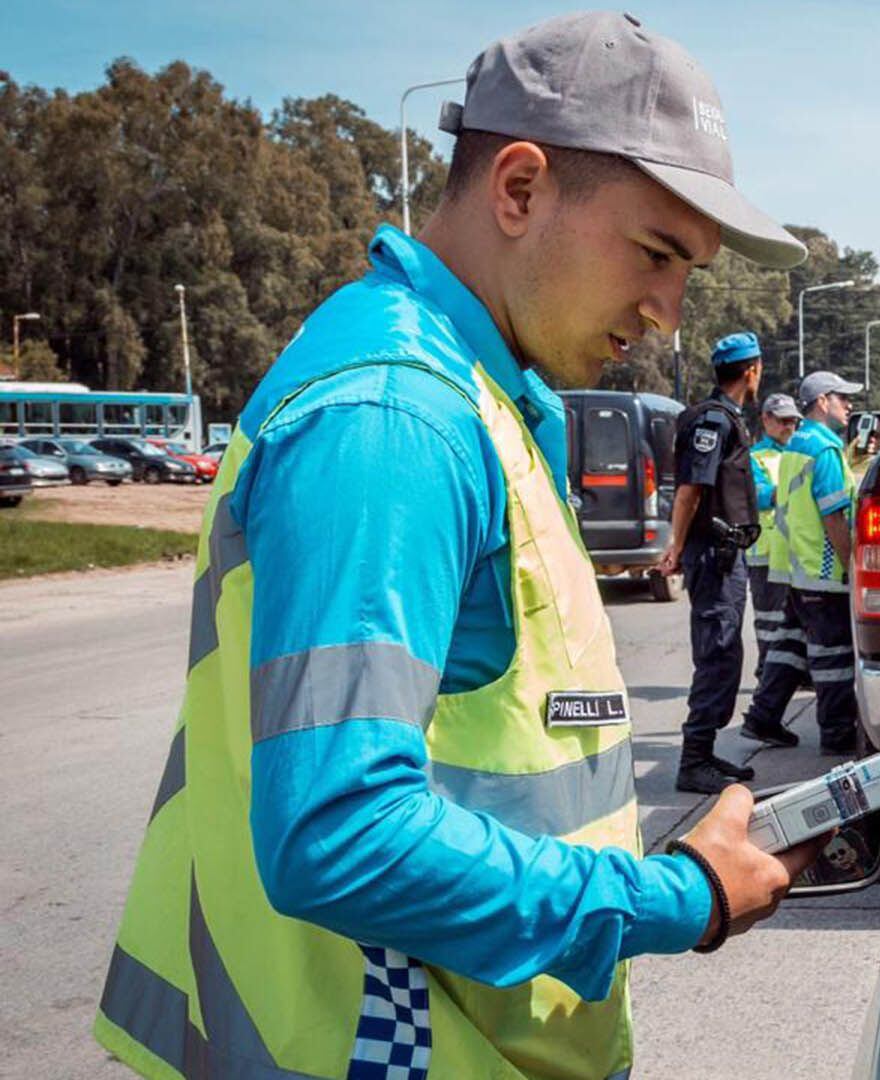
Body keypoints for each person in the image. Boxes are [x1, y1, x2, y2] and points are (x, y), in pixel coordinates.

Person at [92, 14, 825, 1080]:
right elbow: (340, 834)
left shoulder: (481, 397)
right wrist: (681, 897)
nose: (670, 311)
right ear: (520, 190)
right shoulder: (398, 416)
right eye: (657, 253)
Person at [658, 331, 767, 793]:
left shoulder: (724, 417)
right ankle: (694, 760)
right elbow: (691, 489)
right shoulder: (714, 422)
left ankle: (705, 752)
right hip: (714, 555)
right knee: (717, 655)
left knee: (725, 654)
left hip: (725, 553)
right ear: (751, 371)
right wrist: (676, 546)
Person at [777, 370, 866, 755]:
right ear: (822, 402)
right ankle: (836, 736)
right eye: (842, 398)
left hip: (802, 569)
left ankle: (764, 716)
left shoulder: (797, 443)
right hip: (826, 575)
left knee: (799, 650)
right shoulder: (826, 450)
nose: (849, 405)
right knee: (834, 663)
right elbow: (833, 517)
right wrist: (853, 567)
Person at [739, 392, 807, 746]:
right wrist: (794, 485)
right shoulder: (756, 457)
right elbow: (758, 496)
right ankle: (768, 680)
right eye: (782, 420)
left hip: (796, 554)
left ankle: (780, 680)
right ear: (765, 419)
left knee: (790, 625)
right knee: (769, 627)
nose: (789, 426)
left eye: (793, 420)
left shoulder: (798, 451)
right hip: (766, 553)